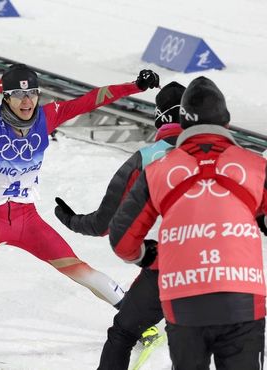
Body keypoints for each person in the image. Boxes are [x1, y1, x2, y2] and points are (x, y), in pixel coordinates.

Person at [0, 64, 160, 350]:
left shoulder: (48, 116)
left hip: (27, 220)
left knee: (79, 268)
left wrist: (135, 86)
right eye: (18, 95)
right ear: (6, 96)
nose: (27, 101)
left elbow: (92, 100)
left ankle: (137, 322)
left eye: (32, 93)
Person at [109, 76, 267, 370]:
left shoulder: (158, 170)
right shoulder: (255, 166)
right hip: (242, 299)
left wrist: (144, 254)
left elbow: (121, 239)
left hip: (183, 301)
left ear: (183, 123)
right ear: (227, 123)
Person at [54, 81, 186, 369]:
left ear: (160, 118)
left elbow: (104, 224)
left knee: (123, 333)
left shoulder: (145, 159)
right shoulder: (223, 155)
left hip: (165, 267)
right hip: (220, 268)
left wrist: (70, 219)